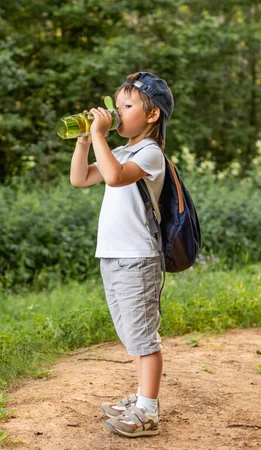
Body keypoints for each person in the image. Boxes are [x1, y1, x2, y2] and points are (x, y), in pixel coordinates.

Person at [69, 71, 174, 437]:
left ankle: (148, 410)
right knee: (130, 331)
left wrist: (99, 134)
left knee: (143, 335)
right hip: (113, 255)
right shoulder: (124, 149)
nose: (117, 113)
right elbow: (80, 179)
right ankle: (141, 397)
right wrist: (85, 140)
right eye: (116, 107)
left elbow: (114, 177)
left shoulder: (150, 153)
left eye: (126, 106)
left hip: (138, 257)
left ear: (151, 115)